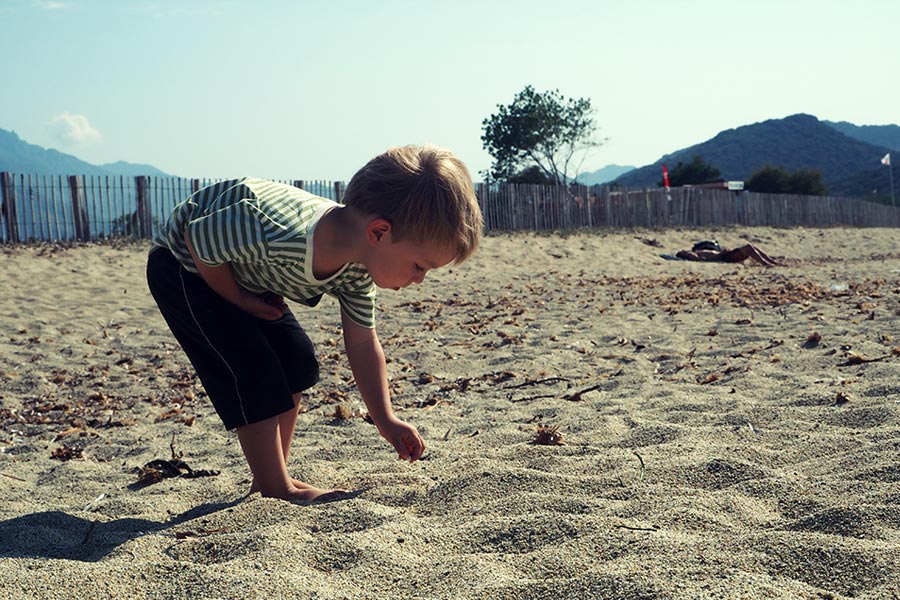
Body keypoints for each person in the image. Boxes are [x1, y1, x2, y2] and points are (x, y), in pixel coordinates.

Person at [146, 145, 483, 504]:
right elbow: (200, 237)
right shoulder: (277, 230)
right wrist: (242, 301)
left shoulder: (357, 269)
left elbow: (363, 342)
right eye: (420, 266)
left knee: (297, 359)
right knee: (250, 366)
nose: (420, 280)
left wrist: (385, 419)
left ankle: (271, 481)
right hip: (185, 265)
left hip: (243, 272)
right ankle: (275, 486)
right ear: (380, 232)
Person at [673, 239, 781, 266]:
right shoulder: (699, 257)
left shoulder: (698, 252)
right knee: (749, 248)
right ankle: (766, 263)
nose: (687, 253)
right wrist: (721, 254)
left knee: (751, 247)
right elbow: (714, 259)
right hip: (726, 257)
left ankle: (770, 260)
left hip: (726, 255)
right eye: (685, 253)